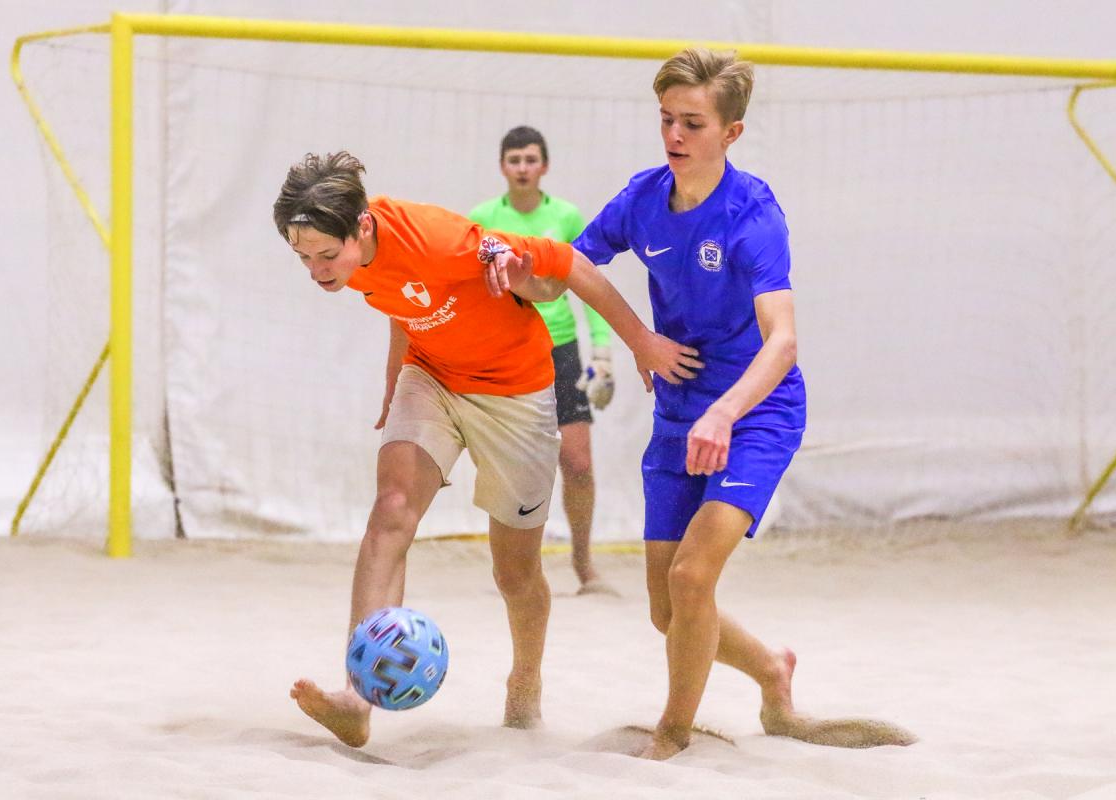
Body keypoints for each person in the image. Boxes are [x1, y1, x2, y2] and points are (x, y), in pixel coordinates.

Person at [273, 151, 701, 748]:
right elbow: (401, 299)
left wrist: (640, 342)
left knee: (514, 571)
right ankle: (357, 696)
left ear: (363, 226)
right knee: (391, 511)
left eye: (325, 255)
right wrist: (395, 379)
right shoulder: (351, 258)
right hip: (433, 376)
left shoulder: (444, 240)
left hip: (516, 392)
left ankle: (525, 682)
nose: (316, 271)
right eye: (303, 258)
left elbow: (569, 264)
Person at [573, 48, 915, 759]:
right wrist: (635, 336)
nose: (674, 135)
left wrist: (724, 412)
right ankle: (771, 671)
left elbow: (783, 341)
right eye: (666, 119)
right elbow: (571, 264)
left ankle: (672, 736)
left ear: (731, 133)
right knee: (667, 609)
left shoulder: (753, 213)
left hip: (755, 415)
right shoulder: (642, 198)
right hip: (679, 412)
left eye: (692, 123)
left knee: (691, 576)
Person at [469, 126, 615, 594]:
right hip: (509, 353)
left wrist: (602, 351)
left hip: (561, 351)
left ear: (545, 166)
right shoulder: (483, 219)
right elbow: (471, 292)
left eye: (531, 159)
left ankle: (584, 565)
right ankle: (515, 569)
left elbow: (588, 284)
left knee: (578, 464)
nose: (523, 168)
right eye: (514, 160)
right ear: (502, 166)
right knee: (514, 469)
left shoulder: (566, 217)